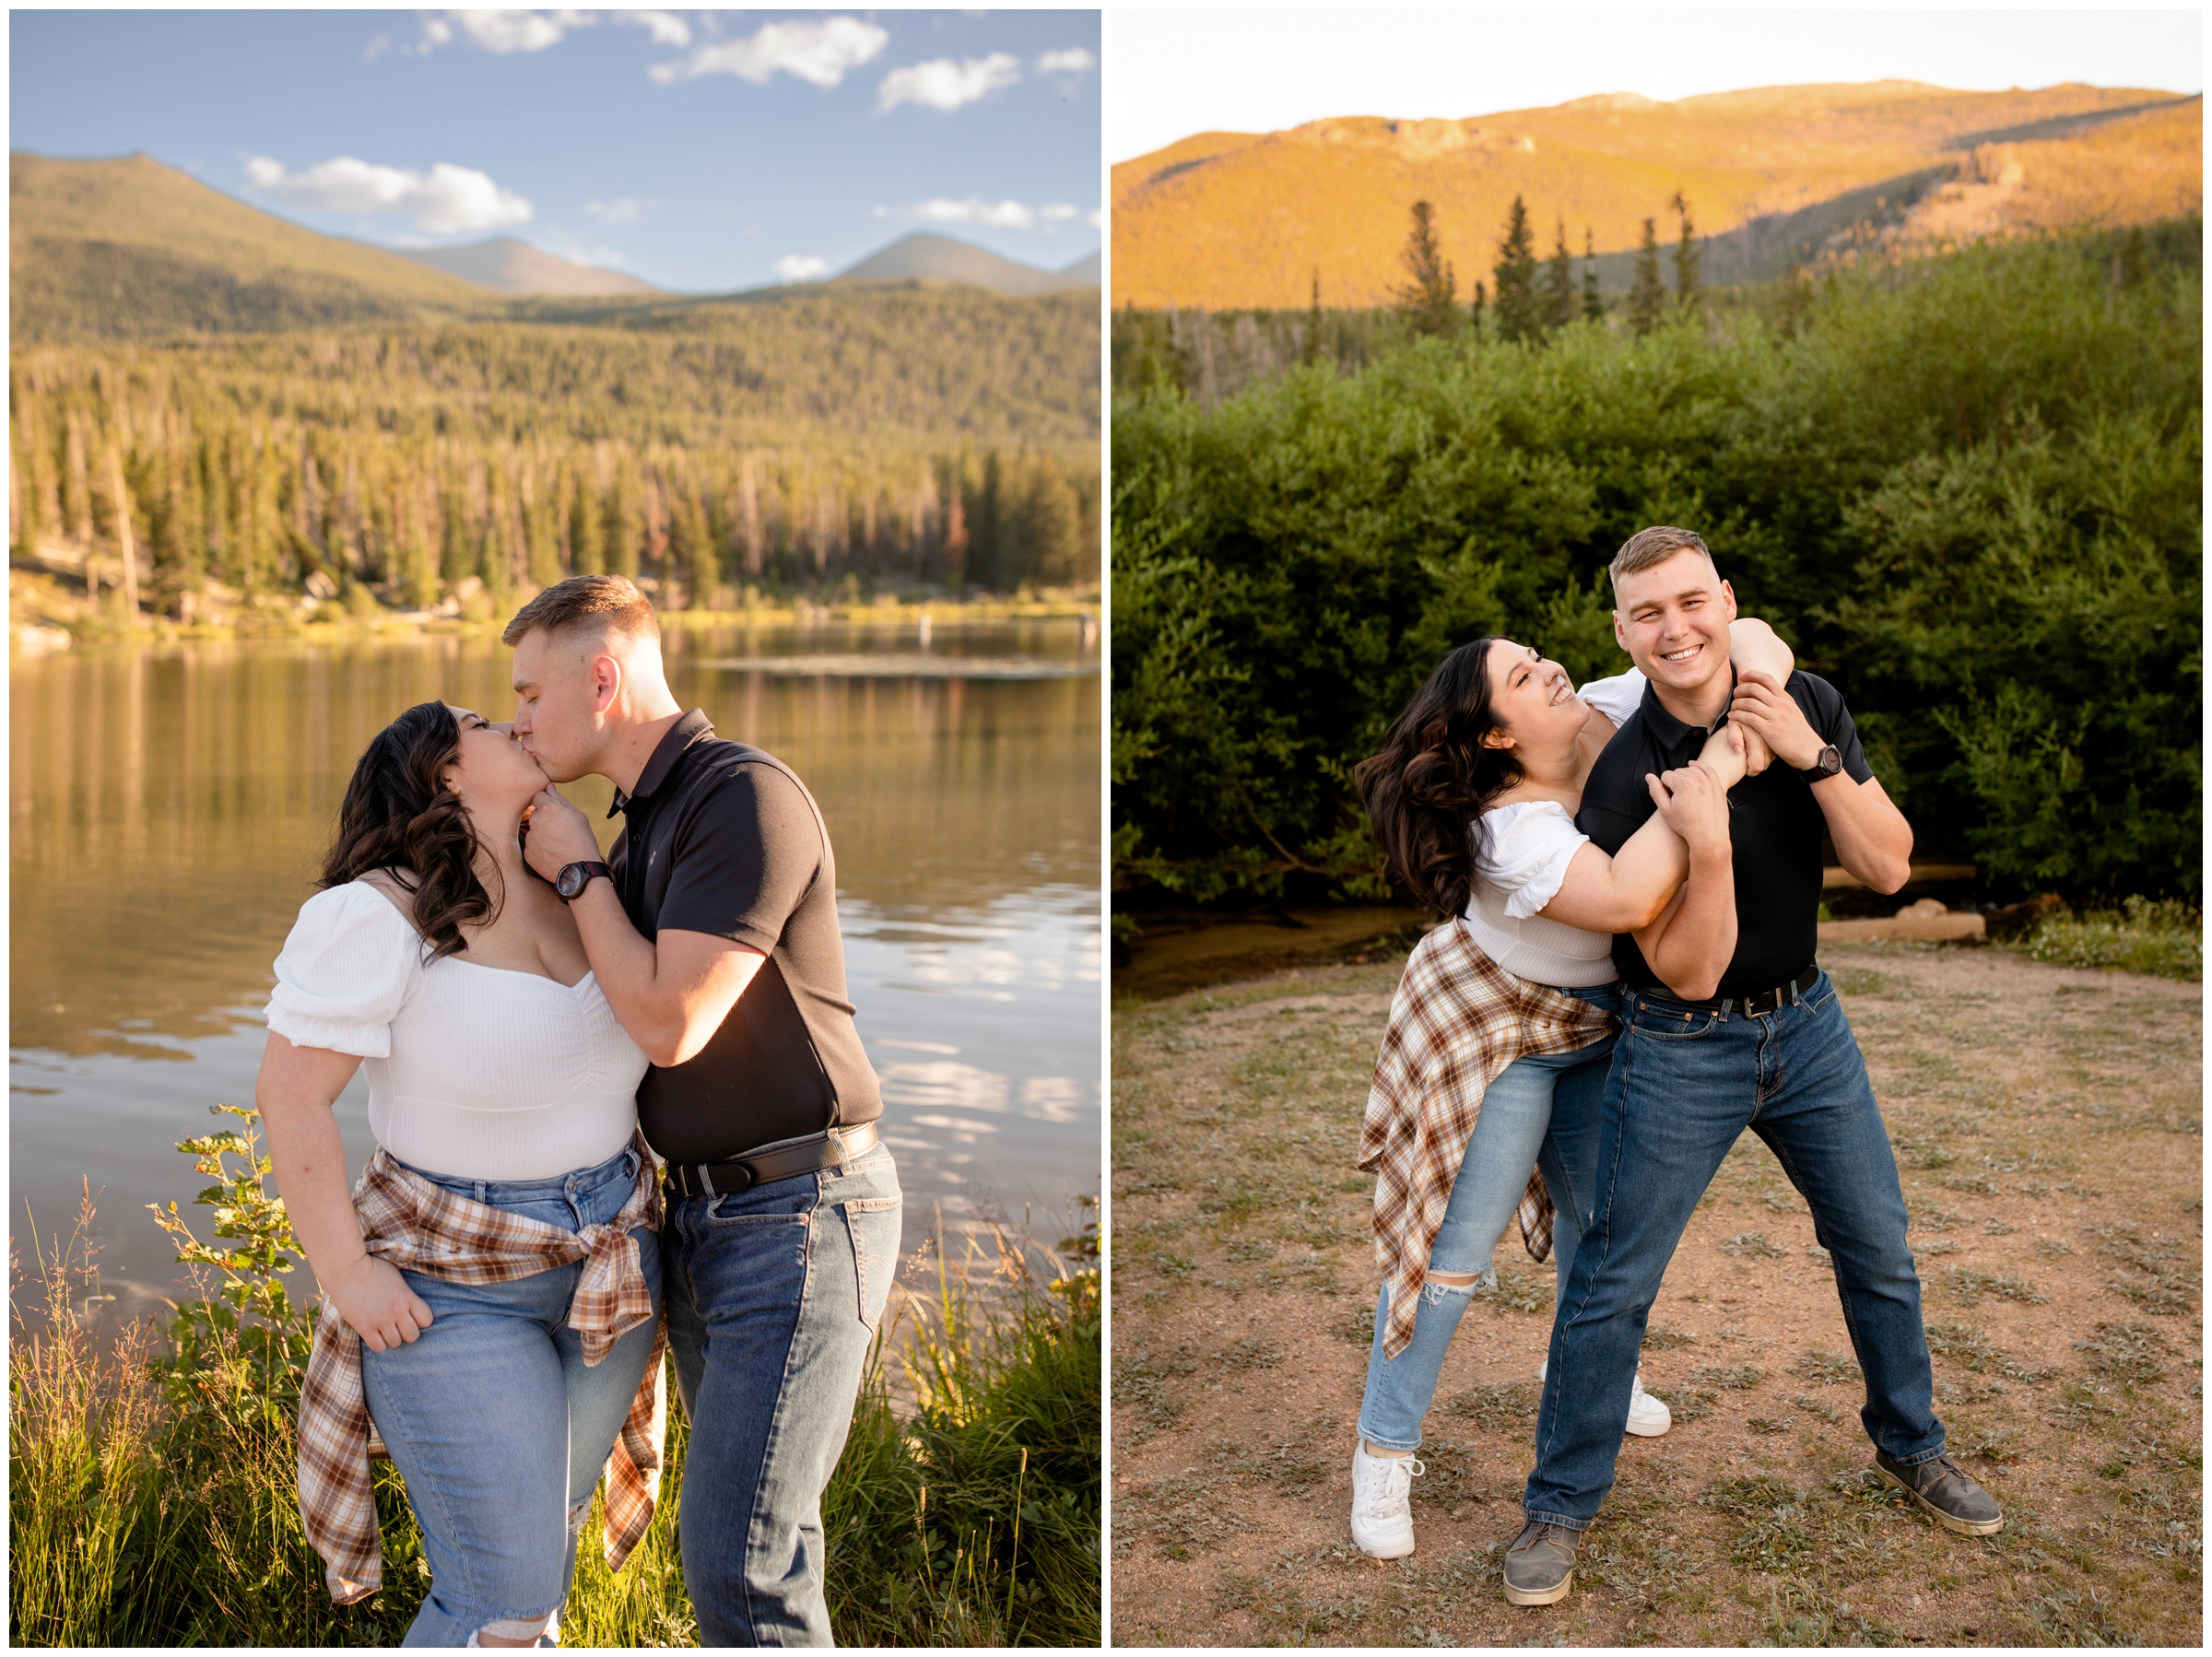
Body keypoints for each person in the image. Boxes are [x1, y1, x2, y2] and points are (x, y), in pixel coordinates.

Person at [1502, 526, 2004, 1609]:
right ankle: (1560, 1503)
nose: (1675, 628)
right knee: (1613, 1282)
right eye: (1648, 613)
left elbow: (1888, 862)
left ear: (1727, 601)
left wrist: (1810, 753)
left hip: (1811, 1024)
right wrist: (1712, 831)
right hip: (1684, 1044)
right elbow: (1688, 973)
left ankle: (1910, 1443)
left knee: (1879, 1245)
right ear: (1622, 633)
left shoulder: (1804, 698)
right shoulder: (1626, 780)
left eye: (1692, 602)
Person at [503, 574, 900, 1647]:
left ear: (603, 674)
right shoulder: (640, 828)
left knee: (743, 1561)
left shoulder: (741, 796)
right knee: (748, 1549)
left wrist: (579, 870)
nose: (522, 718)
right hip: (708, 1221)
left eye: (531, 693)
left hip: (803, 1213)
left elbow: (673, 1024)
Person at [1347, 616, 1795, 1562]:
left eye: (1539, 654)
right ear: (1495, 733)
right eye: (1521, 674)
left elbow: (1748, 633)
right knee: (1453, 1259)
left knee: (1612, 1231)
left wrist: (1749, 688)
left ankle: (1598, 1372)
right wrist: (1720, 765)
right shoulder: (1508, 831)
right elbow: (1631, 901)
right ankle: (1383, 1448)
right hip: (1500, 1025)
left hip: (1595, 1026)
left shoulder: (1599, 706)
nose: (1550, 667)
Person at [260, 699, 665, 1647]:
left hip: (609, 1262)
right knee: (504, 1598)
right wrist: (349, 1273)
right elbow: (290, 1097)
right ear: (445, 773)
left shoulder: (574, 887)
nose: (518, 720)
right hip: (453, 1283)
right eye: (486, 720)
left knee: (539, 1557)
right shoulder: (378, 909)